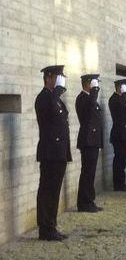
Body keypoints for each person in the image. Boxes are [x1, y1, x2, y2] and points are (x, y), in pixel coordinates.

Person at [35, 65, 71, 241]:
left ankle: (51, 225)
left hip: (59, 152)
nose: (60, 79)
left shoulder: (55, 98)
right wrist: (56, 93)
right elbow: (48, 115)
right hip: (50, 152)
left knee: (54, 190)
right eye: (58, 76)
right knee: (47, 190)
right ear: (49, 78)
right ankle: (45, 228)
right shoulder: (44, 98)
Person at [76, 74, 103, 212]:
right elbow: (88, 112)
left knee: (90, 173)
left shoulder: (90, 98)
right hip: (87, 140)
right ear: (88, 83)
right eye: (95, 82)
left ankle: (89, 200)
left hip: (93, 140)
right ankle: (84, 203)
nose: (97, 85)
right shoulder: (83, 98)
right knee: (87, 172)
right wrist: (94, 91)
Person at [109, 78, 126, 192]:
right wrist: (124, 95)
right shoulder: (114, 99)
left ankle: (121, 182)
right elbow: (121, 110)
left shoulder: (125, 99)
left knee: (123, 160)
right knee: (119, 159)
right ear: (120, 87)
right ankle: (118, 184)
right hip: (119, 135)